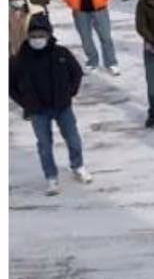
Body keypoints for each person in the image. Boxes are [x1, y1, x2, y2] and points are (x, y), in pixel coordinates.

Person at [9, 14, 92, 196]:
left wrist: (69, 92)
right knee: (45, 144)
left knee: (73, 139)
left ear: (49, 35)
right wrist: (25, 102)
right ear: (28, 36)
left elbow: (76, 73)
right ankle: (51, 177)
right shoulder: (19, 59)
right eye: (34, 35)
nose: (37, 39)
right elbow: (10, 84)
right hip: (38, 111)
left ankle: (78, 166)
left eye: (41, 35)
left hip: (62, 106)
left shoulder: (61, 53)